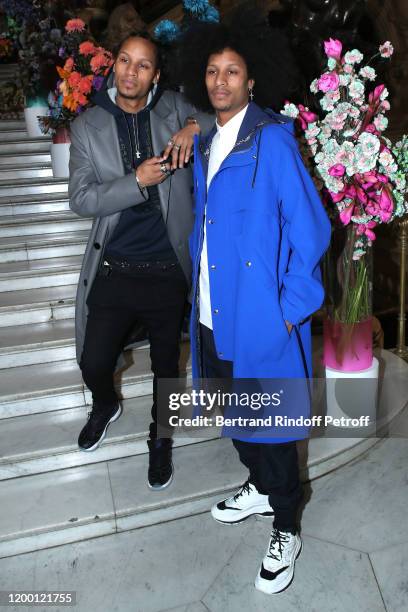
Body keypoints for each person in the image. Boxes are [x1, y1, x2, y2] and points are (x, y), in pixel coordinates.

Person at [182, 13, 331, 595]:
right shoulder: (209, 142)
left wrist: (290, 306)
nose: (220, 80)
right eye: (213, 71)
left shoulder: (270, 139)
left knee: (272, 431)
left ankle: (286, 524)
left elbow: (312, 232)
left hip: (262, 319)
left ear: (252, 82)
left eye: (233, 72)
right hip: (212, 316)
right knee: (240, 421)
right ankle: (259, 489)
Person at [68, 31, 212, 490]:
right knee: (93, 362)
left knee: (167, 368)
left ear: (156, 73)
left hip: (167, 268)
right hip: (115, 266)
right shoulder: (88, 125)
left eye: (143, 65)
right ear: (115, 66)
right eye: (125, 61)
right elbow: (81, 198)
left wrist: (193, 127)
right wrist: (135, 181)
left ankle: (161, 437)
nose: (131, 72)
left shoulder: (172, 106)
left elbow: (218, 118)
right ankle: (105, 403)